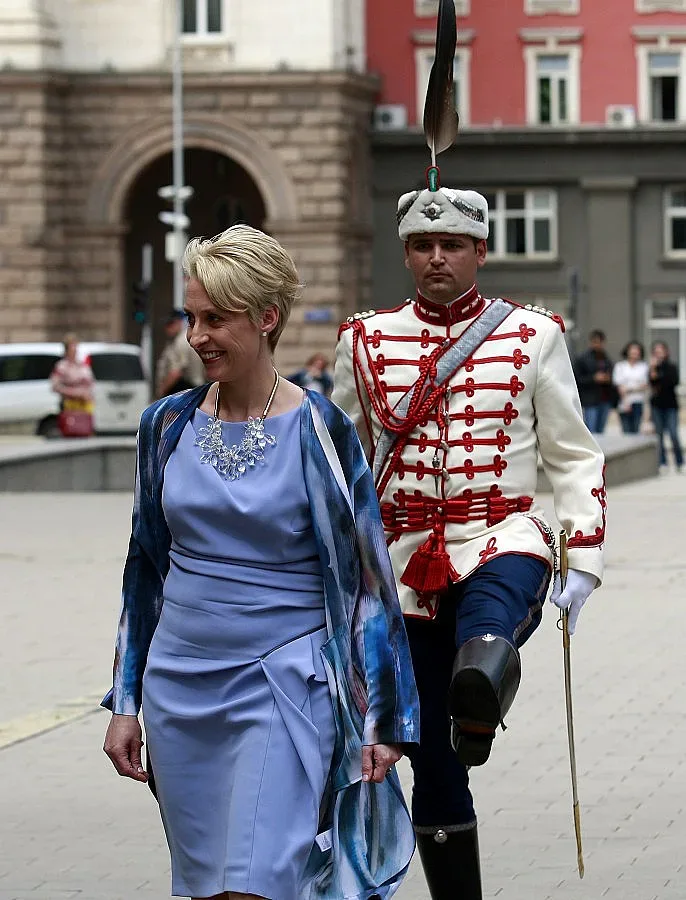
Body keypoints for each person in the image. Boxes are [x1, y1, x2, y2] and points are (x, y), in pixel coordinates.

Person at [101, 224, 419, 900]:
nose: (196, 335)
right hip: (179, 690)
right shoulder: (165, 425)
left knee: (258, 881)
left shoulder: (320, 429)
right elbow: (144, 574)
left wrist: (383, 719)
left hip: (282, 684)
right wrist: (126, 701)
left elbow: (368, 584)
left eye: (216, 318)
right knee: (208, 886)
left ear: (266, 317)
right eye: (191, 317)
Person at [332, 183, 605, 899]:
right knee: (434, 765)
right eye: (422, 245)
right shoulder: (363, 341)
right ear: (406, 253)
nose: (436, 258)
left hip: (500, 534)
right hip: (403, 561)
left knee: (485, 641)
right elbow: (337, 463)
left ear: (480, 250)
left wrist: (582, 559)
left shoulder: (532, 334)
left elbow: (572, 454)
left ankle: (479, 689)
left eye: (452, 244)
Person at [155, 309, 206, 397]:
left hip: (186, 390)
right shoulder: (176, 340)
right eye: (166, 324)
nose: (167, 328)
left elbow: (176, 372)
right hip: (191, 390)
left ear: (179, 322)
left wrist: (162, 391)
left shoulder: (181, 341)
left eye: (171, 324)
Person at [649, 340, 683, 472]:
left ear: (666, 352)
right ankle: (662, 462)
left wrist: (659, 377)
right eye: (656, 352)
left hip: (670, 406)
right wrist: (653, 369)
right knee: (659, 435)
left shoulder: (671, 367)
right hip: (657, 406)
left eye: (661, 351)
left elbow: (672, 382)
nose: (659, 354)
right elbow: (652, 384)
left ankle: (680, 462)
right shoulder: (652, 368)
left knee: (673, 434)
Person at [49, 332, 95, 427]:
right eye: (72, 347)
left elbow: (90, 382)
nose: (75, 350)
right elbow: (55, 386)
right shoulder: (62, 366)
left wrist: (88, 393)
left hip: (85, 405)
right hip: (70, 406)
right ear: (67, 349)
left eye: (76, 346)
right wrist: (75, 393)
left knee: (85, 431)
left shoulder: (82, 365)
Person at [573, 329, 615, 434]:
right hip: (590, 399)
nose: (597, 345)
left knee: (601, 430)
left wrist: (607, 378)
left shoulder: (606, 358)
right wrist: (593, 378)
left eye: (600, 342)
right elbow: (577, 378)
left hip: (605, 398)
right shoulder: (583, 358)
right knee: (592, 430)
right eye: (595, 342)